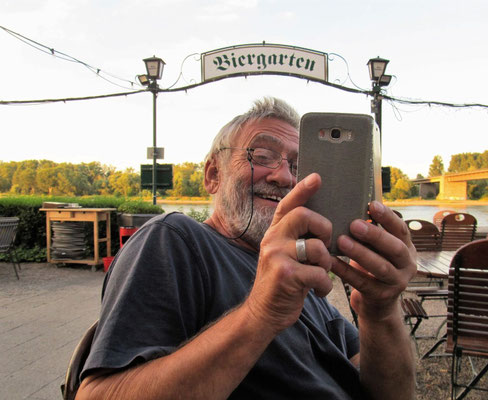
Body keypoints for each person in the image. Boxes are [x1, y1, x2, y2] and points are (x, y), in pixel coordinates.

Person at [76, 97, 417, 400]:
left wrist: (380, 311)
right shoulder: (176, 239)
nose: (284, 177)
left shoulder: (297, 272)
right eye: (262, 156)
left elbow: (393, 394)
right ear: (213, 175)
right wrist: (260, 314)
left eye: (298, 167)